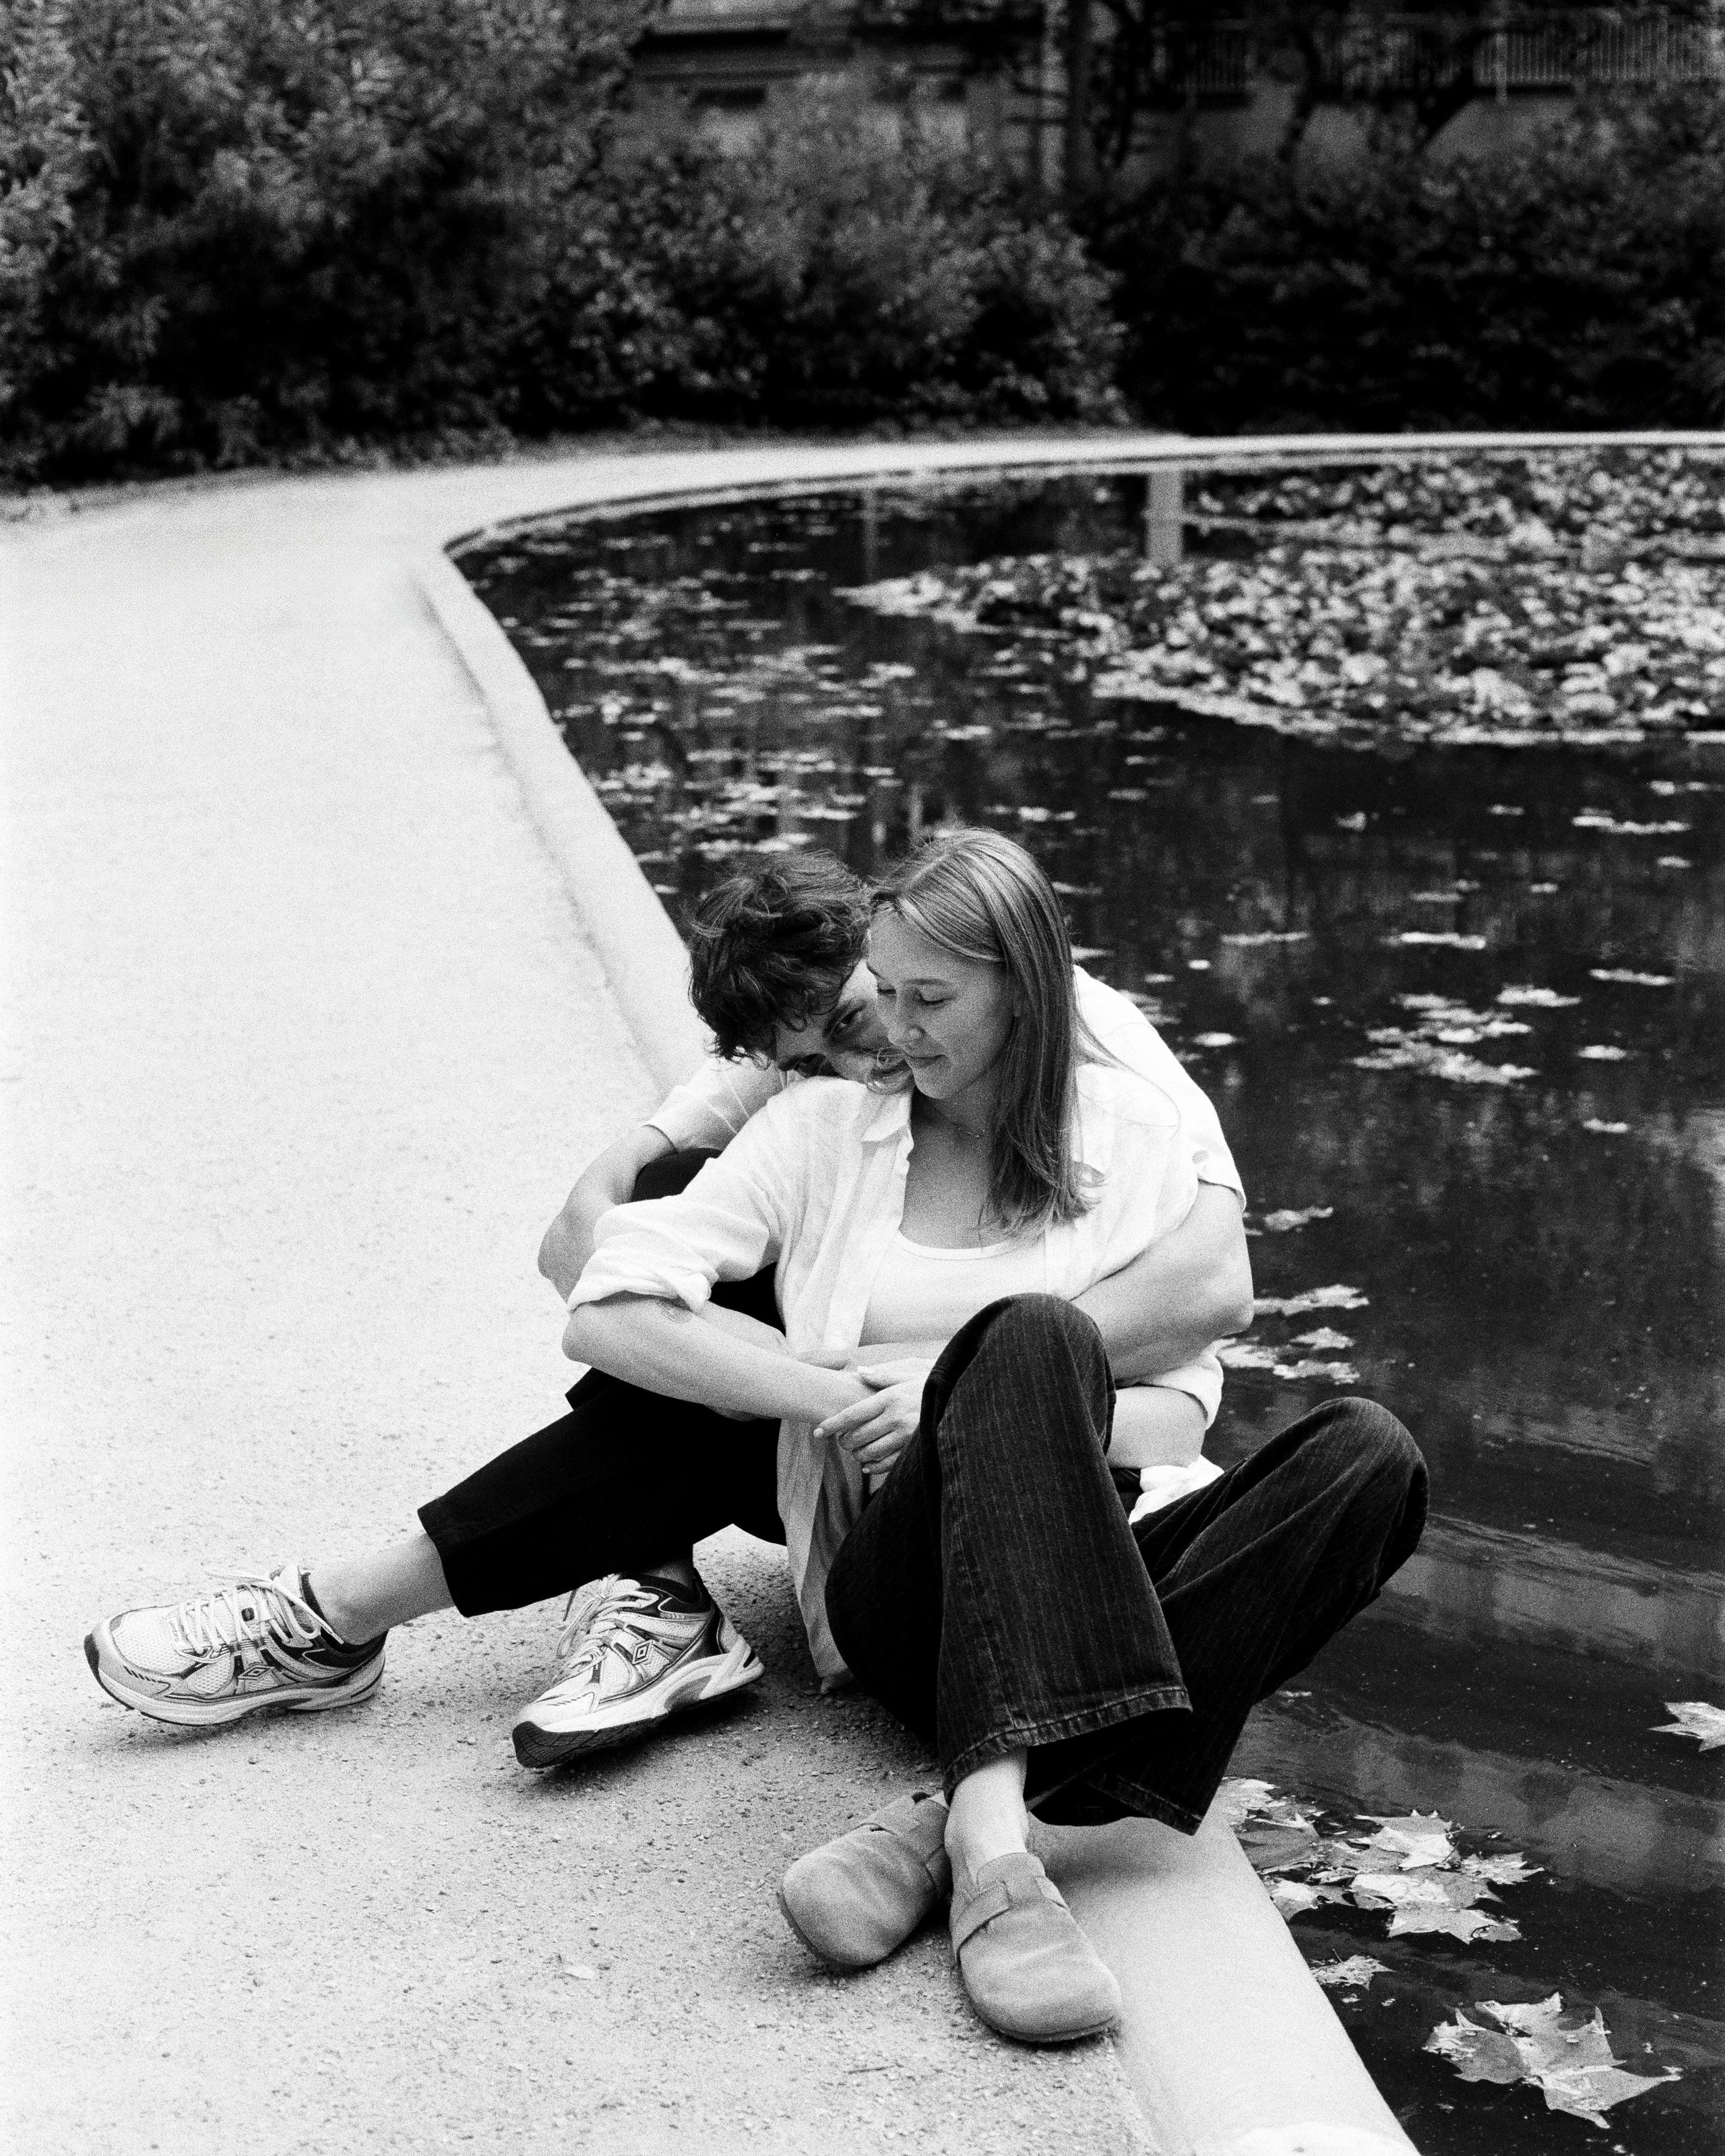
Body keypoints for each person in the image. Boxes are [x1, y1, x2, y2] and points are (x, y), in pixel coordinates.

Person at [86, 850, 1252, 1769]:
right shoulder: (837, 1081)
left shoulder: (1103, 1079)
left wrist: (969, 1386)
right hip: (843, 1465)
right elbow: (589, 1250)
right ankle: (632, 1580)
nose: (876, 1050)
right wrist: (824, 1376)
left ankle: (365, 1610)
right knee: (679, 1250)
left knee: (701, 1369)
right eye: (844, 1037)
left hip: (1023, 1488)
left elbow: (1209, 1299)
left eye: (892, 1008)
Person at [554, 829, 1426, 2042]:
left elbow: (1185, 1398)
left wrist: (995, 1402)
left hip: (1093, 1556)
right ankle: (996, 1857)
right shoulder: (824, 1125)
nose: (896, 1032)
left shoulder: (1129, 1130)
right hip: (907, 1586)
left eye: (931, 1000)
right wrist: (835, 1391)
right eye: (885, 994)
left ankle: (939, 1826)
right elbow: (604, 1308)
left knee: (1369, 1453)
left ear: (1025, 983)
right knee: (1028, 1334)